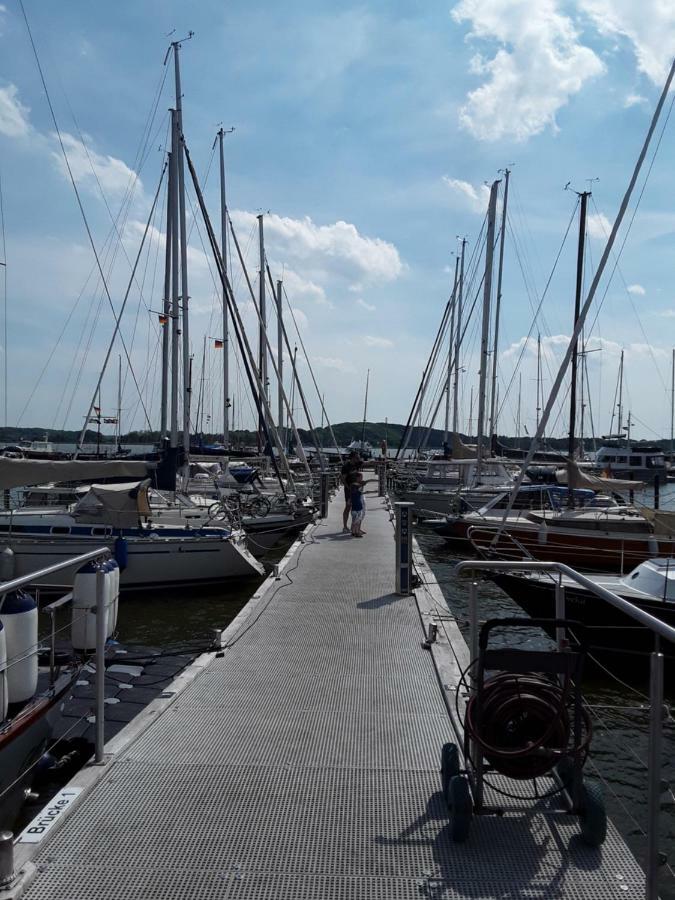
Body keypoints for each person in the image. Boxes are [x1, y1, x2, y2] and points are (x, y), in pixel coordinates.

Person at [349, 470, 375, 538]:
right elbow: (365, 486)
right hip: (358, 505)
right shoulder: (356, 486)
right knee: (357, 519)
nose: (362, 478)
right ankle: (356, 532)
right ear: (357, 477)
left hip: (356, 505)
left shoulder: (353, 487)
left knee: (356, 519)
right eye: (361, 477)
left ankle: (355, 531)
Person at [341, 451, 361, 532]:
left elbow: (369, 462)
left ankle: (356, 527)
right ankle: (345, 527)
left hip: (356, 489)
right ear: (353, 458)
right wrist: (347, 487)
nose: (358, 458)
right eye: (357, 457)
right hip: (349, 490)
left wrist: (382, 462)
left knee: (357, 508)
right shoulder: (346, 466)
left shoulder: (356, 464)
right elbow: (342, 478)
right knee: (348, 507)